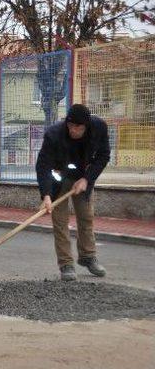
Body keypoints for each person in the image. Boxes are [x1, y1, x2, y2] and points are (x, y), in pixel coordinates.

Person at [35, 104, 110, 281]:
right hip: (58, 180)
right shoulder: (54, 135)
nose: (73, 130)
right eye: (70, 126)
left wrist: (87, 179)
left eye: (78, 127)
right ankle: (66, 264)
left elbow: (104, 156)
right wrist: (45, 195)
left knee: (86, 217)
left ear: (86, 125)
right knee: (60, 222)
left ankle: (88, 257)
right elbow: (43, 165)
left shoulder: (99, 128)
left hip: (82, 179)